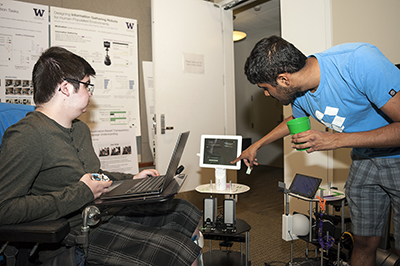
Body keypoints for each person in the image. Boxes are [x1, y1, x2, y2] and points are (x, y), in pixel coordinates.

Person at [0, 47, 202, 266]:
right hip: (73, 236)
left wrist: (131, 179)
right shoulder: (26, 135)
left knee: (186, 211)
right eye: (87, 85)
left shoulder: (79, 129)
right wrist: (81, 193)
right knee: (178, 251)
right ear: (66, 88)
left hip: (102, 214)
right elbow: (5, 210)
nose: (90, 93)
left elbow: (93, 176)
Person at [232, 35, 400, 266]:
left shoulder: (358, 61)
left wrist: (335, 140)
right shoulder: (300, 93)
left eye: (266, 88)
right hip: (364, 160)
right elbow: (294, 120)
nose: (266, 94)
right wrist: (256, 145)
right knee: (363, 241)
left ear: (283, 79)